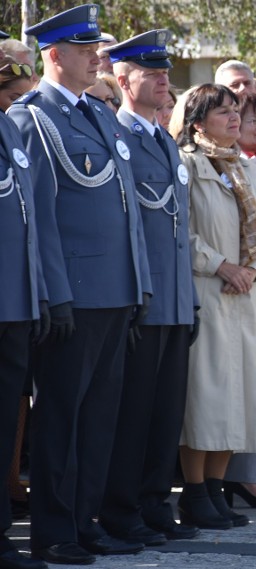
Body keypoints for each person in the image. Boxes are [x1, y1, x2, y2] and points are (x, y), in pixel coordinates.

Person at [8, 4, 153, 564]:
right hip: (74, 293)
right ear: (53, 55)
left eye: (97, 49)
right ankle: (53, 528)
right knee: (62, 419)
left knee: (99, 420)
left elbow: (124, 210)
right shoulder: (33, 117)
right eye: (84, 49)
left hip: (115, 291)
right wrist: (54, 292)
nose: (98, 58)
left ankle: (84, 517)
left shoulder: (96, 114)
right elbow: (37, 216)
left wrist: (139, 286)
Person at [97, 29, 200, 546]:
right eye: (152, 72)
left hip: (176, 301)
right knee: (133, 416)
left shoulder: (162, 139)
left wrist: (191, 301)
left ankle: (157, 502)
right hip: (146, 300)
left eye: (165, 71)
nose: (164, 80)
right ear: (122, 78)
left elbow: (180, 228)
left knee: (165, 416)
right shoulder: (117, 136)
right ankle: (122, 508)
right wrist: (141, 296)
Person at [174, 83, 256, 531]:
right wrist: (221, 265)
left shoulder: (249, 170)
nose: (235, 118)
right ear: (197, 123)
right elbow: (181, 232)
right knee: (206, 399)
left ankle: (217, 490)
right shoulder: (188, 166)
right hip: (208, 293)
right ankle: (194, 493)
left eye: (236, 110)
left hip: (244, 297)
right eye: (222, 112)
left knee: (240, 401)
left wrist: (254, 269)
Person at [0, 27, 50, 569]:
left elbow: (27, 219)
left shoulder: (9, 131)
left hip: (14, 302)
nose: (18, 104)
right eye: (11, 94)